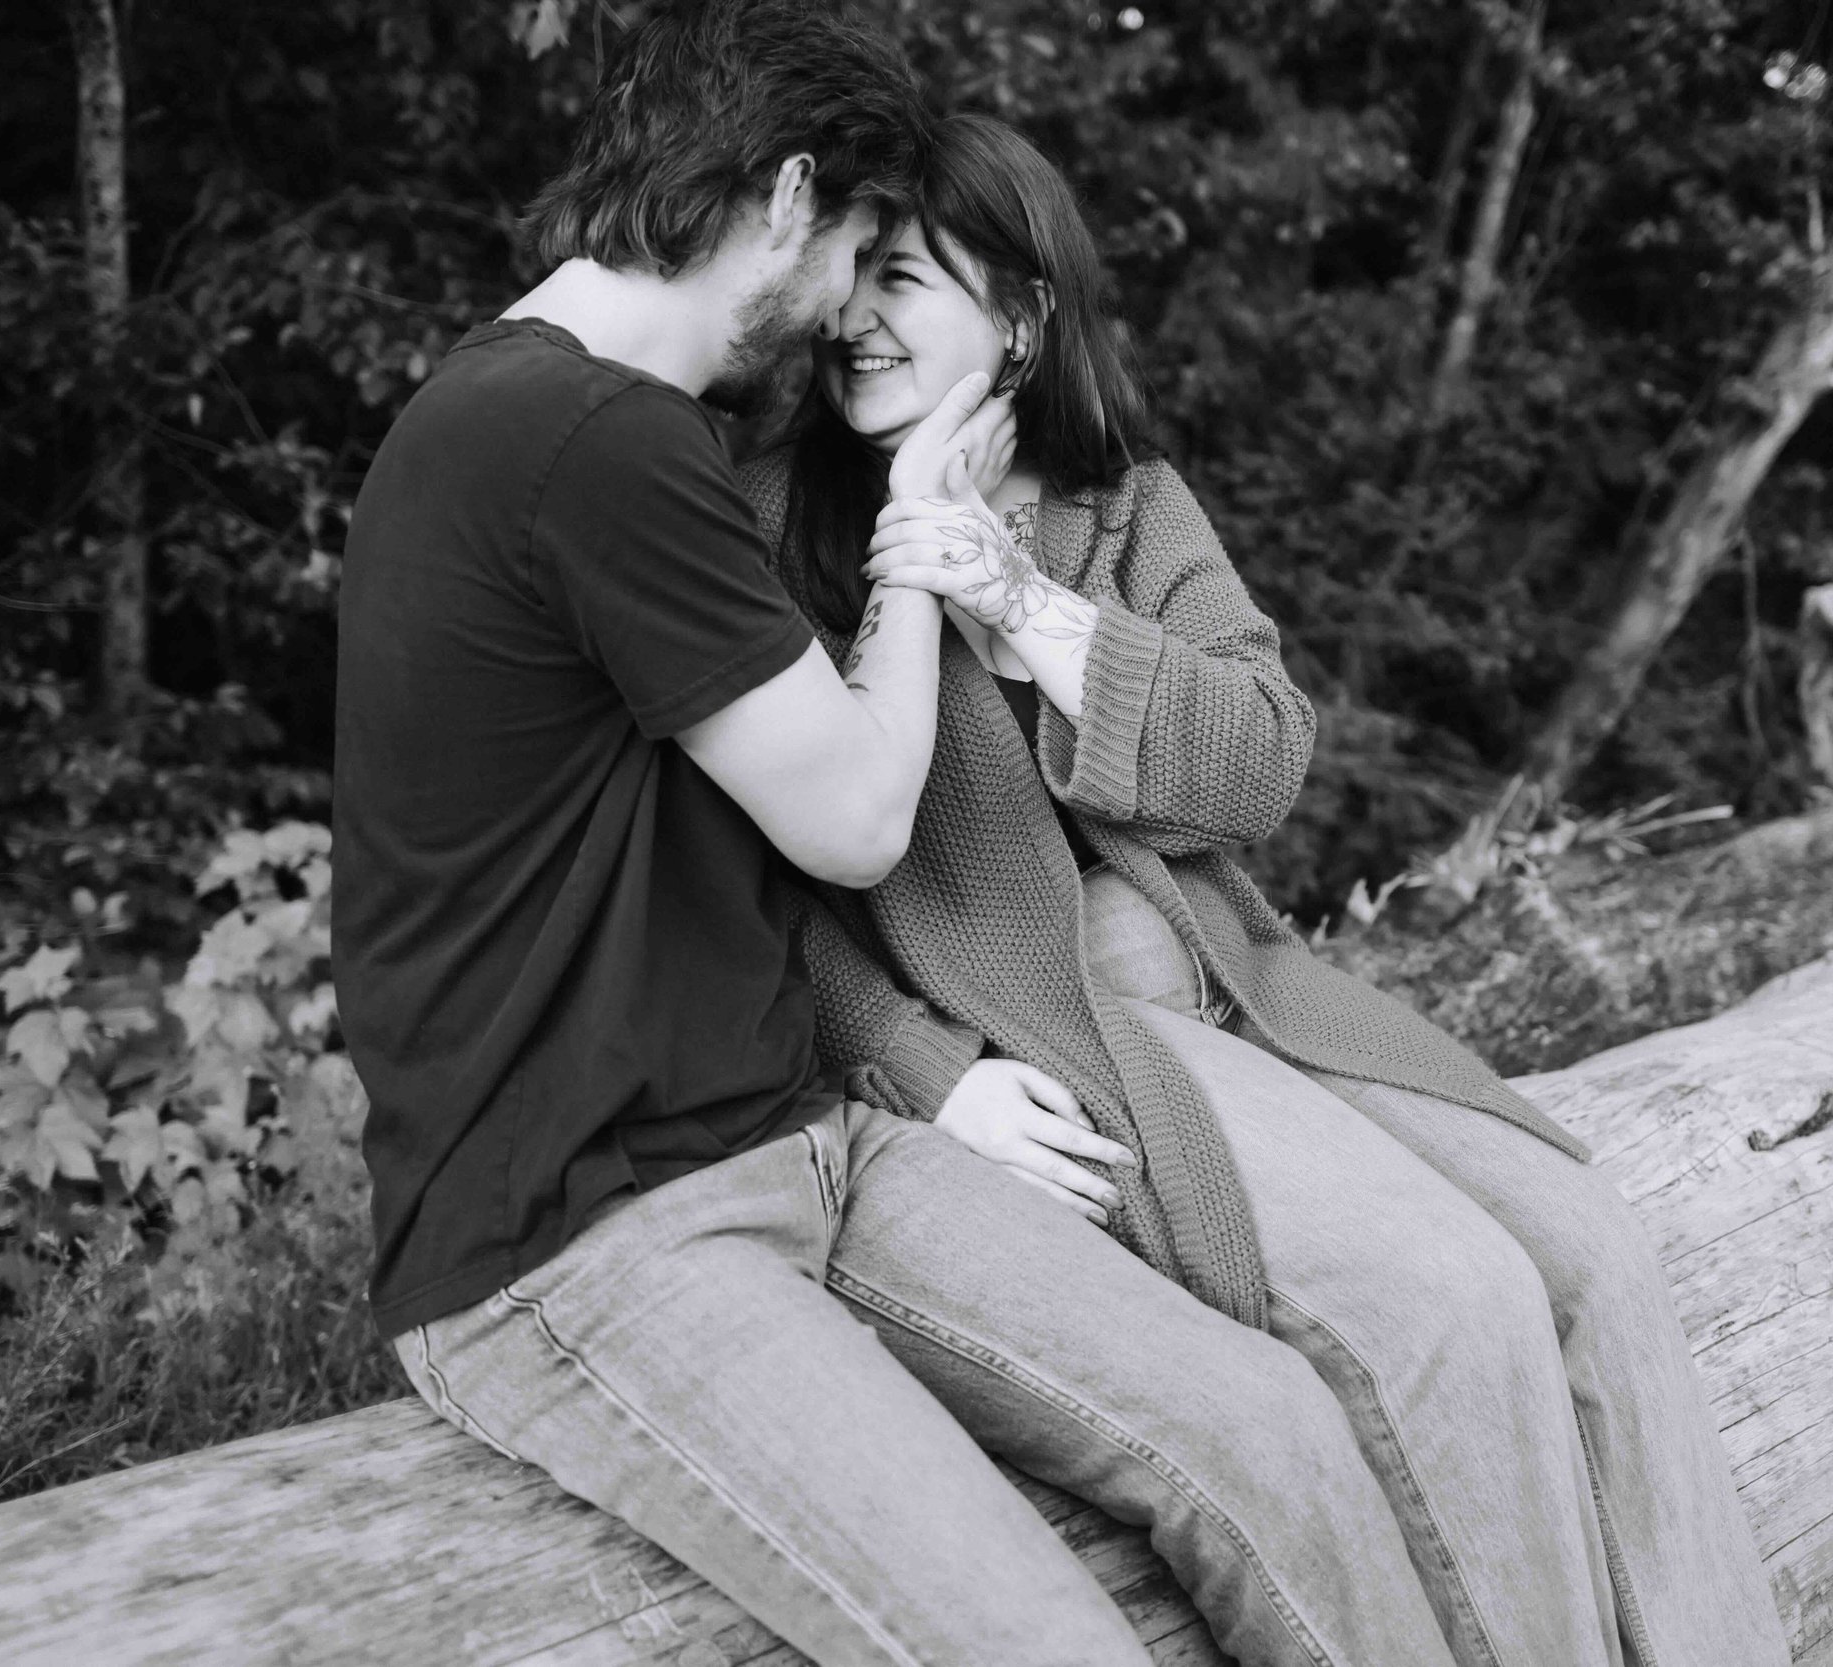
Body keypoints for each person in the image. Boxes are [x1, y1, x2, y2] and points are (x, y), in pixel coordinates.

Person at [335, 5, 1476, 1664]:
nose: (847, 311)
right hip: (587, 1238)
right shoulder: (587, 440)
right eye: (861, 247)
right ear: (795, 195)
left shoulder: (584, 424)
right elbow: (863, 822)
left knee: (1276, 1438)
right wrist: (923, 542)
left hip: (799, 1141)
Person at [742, 111, 1796, 1666]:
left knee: (1588, 1247)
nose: (852, 318)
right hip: (1067, 1050)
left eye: (900, 278)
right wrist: (920, 1070)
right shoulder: (772, 528)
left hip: (1241, 992)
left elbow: (1259, 762)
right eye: (853, 279)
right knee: (1449, 1306)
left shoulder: (1125, 508)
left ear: (1021, 317)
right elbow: (740, 888)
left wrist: (1021, 602)